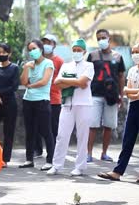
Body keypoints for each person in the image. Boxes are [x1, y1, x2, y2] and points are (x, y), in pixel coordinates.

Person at [98, 43, 139, 183]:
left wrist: (135, 92)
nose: (135, 54)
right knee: (127, 140)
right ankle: (117, 172)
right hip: (134, 107)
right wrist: (138, 92)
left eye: (137, 51)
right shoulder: (131, 70)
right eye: (133, 52)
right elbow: (127, 91)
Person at [47, 39, 94, 176]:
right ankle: (57, 165)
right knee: (62, 135)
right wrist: (74, 81)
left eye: (79, 50)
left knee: (82, 135)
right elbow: (57, 83)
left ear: (84, 52)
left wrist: (66, 80)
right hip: (67, 104)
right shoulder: (66, 65)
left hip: (84, 104)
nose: (76, 52)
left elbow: (83, 83)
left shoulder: (89, 65)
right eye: (74, 49)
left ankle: (80, 166)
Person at [87, 29, 126, 162]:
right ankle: (88, 153)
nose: (101, 40)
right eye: (98, 38)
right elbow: (87, 75)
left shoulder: (118, 56)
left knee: (108, 125)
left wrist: (121, 95)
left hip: (111, 96)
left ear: (109, 38)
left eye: (103, 37)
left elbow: (121, 76)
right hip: (95, 94)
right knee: (92, 124)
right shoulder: (92, 56)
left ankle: (104, 153)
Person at [19, 39, 55, 170]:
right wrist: (26, 68)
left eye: (34, 48)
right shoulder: (30, 64)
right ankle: (29, 159)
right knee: (30, 131)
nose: (32, 51)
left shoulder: (48, 63)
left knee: (46, 131)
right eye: (30, 49)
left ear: (41, 49)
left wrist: (30, 86)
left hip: (42, 101)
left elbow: (44, 81)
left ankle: (50, 160)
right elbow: (23, 81)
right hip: (28, 100)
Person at [35, 34, 64, 156]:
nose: (46, 45)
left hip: (54, 99)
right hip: (38, 97)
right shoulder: (37, 60)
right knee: (36, 125)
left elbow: (63, 79)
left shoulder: (59, 61)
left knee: (53, 127)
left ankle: (54, 151)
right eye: (44, 42)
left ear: (54, 45)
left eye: (49, 43)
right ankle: (37, 149)